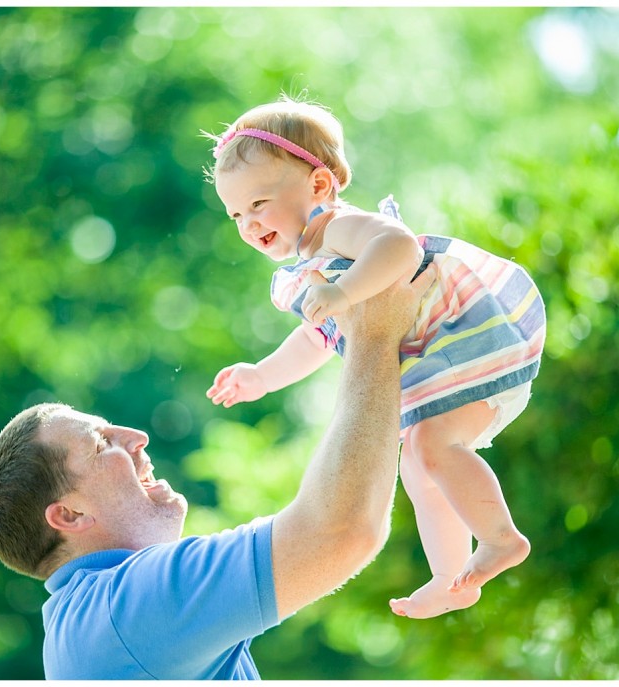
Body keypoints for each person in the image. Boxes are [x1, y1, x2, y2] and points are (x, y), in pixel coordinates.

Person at [0, 273, 423, 679]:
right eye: (102, 443)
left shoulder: (94, 625)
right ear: (69, 514)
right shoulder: (125, 613)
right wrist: (376, 334)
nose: (137, 437)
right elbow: (339, 530)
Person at [205, 96, 547, 619]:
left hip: (467, 338)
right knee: (419, 459)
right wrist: (263, 376)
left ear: (318, 187)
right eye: (235, 215)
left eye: (258, 205)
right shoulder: (309, 268)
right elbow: (317, 338)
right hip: (441, 360)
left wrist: (344, 295)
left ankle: (501, 538)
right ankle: (450, 579)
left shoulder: (338, 229)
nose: (248, 224)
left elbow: (400, 246)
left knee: (432, 445)